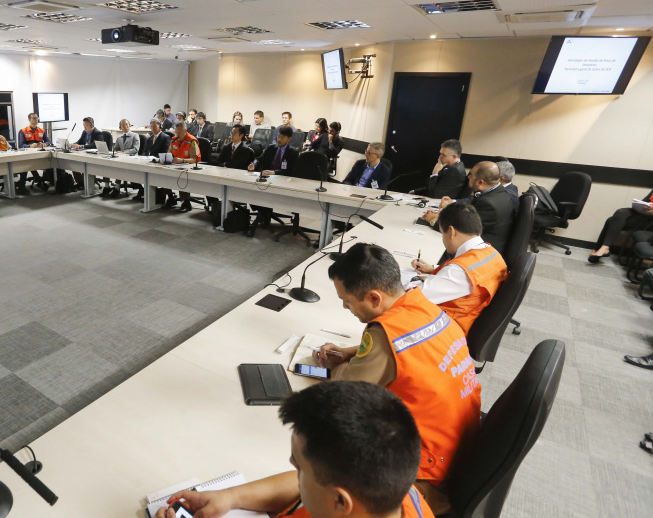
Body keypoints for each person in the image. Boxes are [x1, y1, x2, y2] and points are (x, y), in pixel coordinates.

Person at [314, 244, 481, 514]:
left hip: (424, 477)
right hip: (459, 452)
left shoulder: (384, 334)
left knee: (318, 465)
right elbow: (411, 346)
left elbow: (341, 397)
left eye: (347, 300)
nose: (345, 307)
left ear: (374, 298)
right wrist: (354, 352)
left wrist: (340, 367)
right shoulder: (424, 306)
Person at [155, 382, 435, 518]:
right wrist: (231, 496)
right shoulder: (388, 489)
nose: (292, 466)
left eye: (299, 466)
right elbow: (304, 485)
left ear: (340, 501)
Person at [410, 202, 508, 334]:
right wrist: (433, 268)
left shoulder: (458, 272)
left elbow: (410, 299)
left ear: (451, 232)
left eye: (442, 234)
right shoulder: (491, 253)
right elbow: (471, 272)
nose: (443, 240)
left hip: (447, 331)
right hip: (469, 318)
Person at [426, 161, 515, 255]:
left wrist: (433, 220)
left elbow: (462, 231)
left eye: (471, 175)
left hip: (480, 253)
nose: (468, 177)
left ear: (480, 182)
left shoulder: (489, 204)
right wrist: (450, 207)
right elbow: (472, 203)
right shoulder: (499, 192)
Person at [247, 126, 299, 233]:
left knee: (266, 197)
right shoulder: (271, 148)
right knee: (252, 191)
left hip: (282, 182)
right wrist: (254, 165)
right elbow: (259, 159)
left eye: (282, 137)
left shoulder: (293, 152)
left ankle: (255, 223)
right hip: (267, 180)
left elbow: (290, 171)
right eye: (278, 136)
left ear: (289, 139)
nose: (279, 139)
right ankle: (264, 214)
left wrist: (274, 172)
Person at [589, 188, 653, 263]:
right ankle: (604, 248)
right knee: (620, 213)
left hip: (650, 222)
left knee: (611, 220)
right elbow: (644, 202)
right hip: (644, 216)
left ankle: (599, 248)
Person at [132, 119, 171, 202]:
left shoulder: (165, 137)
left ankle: (157, 196)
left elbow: (165, 152)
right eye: (151, 126)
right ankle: (143, 192)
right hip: (148, 162)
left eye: (154, 126)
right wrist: (143, 157)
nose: (152, 128)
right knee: (134, 172)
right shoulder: (150, 138)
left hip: (158, 163)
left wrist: (153, 158)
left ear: (160, 127)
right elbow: (145, 151)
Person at [166, 122, 200, 212]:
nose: (177, 135)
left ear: (185, 131)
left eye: (179, 133)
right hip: (176, 165)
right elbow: (169, 153)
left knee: (182, 176)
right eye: (176, 132)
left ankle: (186, 202)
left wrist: (182, 160)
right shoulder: (174, 140)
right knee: (163, 174)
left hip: (188, 166)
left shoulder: (192, 141)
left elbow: (195, 159)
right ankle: (170, 198)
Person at [101, 119, 140, 198]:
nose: (125, 126)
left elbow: (136, 149)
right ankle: (106, 186)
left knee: (119, 167)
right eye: (123, 125)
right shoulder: (119, 138)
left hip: (131, 158)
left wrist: (124, 152)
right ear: (120, 127)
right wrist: (115, 152)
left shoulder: (135, 135)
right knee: (106, 164)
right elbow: (115, 149)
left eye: (127, 125)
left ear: (129, 125)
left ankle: (117, 187)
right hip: (120, 157)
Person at [18, 112, 50, 194]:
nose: (36, 120)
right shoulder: (23, 131)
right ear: (29, 119)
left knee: (49, 162)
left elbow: (48, 142)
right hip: (28, 155)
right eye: (34, 118)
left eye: (37, 118)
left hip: (40, 154)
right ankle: (22, 186)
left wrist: (44, 144)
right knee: (26, 165)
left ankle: (41, 180)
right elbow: (21, 145)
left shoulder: (42, 130)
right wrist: (30, 146)